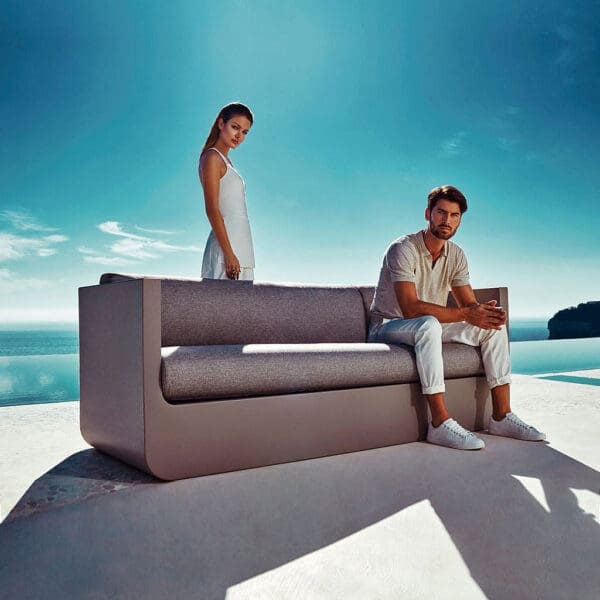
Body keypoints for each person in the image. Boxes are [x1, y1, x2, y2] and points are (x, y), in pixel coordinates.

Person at [368, 185, 546, 450]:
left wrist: (485, 313)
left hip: (429, 327)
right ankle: (439, 423)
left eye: (454, 215)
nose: (447, 220)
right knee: (428, 324)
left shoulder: (457, 255)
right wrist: (466, 313)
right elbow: (410, 308)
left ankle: (501, 415)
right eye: (441, 213)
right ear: (428, 213)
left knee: (492, 327)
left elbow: (468, 304)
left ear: (460, 220)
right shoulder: (402, 248)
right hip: (389, 326)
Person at [199, 102, 255, 280]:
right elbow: (212, 209)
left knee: (246, 307)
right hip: (226, 254)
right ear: (221, 124)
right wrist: (229, 253)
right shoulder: (212, 158)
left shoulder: (228, 163)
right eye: (235, 127)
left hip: (242, 250)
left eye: (245, 132)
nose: (239, 136)